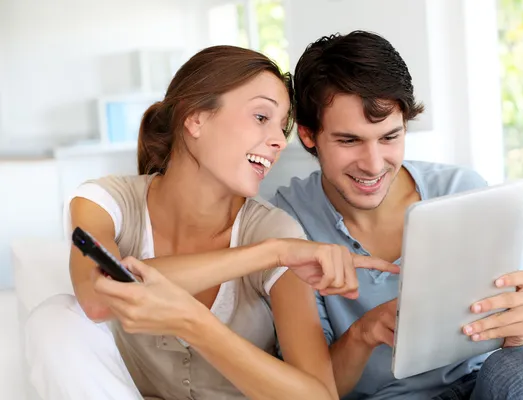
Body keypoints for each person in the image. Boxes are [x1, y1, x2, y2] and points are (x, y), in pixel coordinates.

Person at [24, 45, 399, 400]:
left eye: (281, 127)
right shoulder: (106, 203)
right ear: (195, 118)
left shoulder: (273, 228)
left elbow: (320, 395)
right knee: (54, 319)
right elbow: (97, 298)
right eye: (261, 117)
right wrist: (270, 254)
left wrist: (196, 325)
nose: (277, 142)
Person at [270, 31, 523, 399]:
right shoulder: (290, 220)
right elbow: (315, 389)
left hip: (481, 386)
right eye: (349, 141)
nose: (372, 165)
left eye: (389, 137)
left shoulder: (462, 190)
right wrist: (363, 334)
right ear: (307, 135)